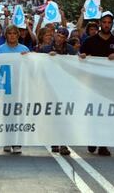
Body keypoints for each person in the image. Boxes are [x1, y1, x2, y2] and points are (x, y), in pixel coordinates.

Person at [79, 11, 114, 156]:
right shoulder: (89, 41)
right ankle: (92, 139)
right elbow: (81, 57)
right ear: (100, 23)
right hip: (92, 84)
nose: (106, 25)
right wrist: (82, 57)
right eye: (104, 22)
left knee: (107, 114)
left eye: (109, 23)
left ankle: (103, 144)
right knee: (93, 113)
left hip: (110, 86)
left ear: (111, 24)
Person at [39, 27, 76, 156]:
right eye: (58, 35)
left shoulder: (71, 50)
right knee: (53, 115)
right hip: (50, 86)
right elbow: (37, 64)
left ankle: (63, 143)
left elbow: (77, 66)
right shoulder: (45, 49)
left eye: (63, 36)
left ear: (66, 38)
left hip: (65, 87)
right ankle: (54, 141)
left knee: (64, 116)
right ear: (55, 35)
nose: (60, 38)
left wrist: (81, 58)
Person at [0, 24, 29, 154]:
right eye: (9, 33)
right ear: (6, 35)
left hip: (19, 85)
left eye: (15, 33)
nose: (12, 36)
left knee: (18, 113)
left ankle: (17, 141)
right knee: (6, 114)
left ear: (18, 35)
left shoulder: (24, 49)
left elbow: (29, 66)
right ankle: (7, 140)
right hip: (5, 86)